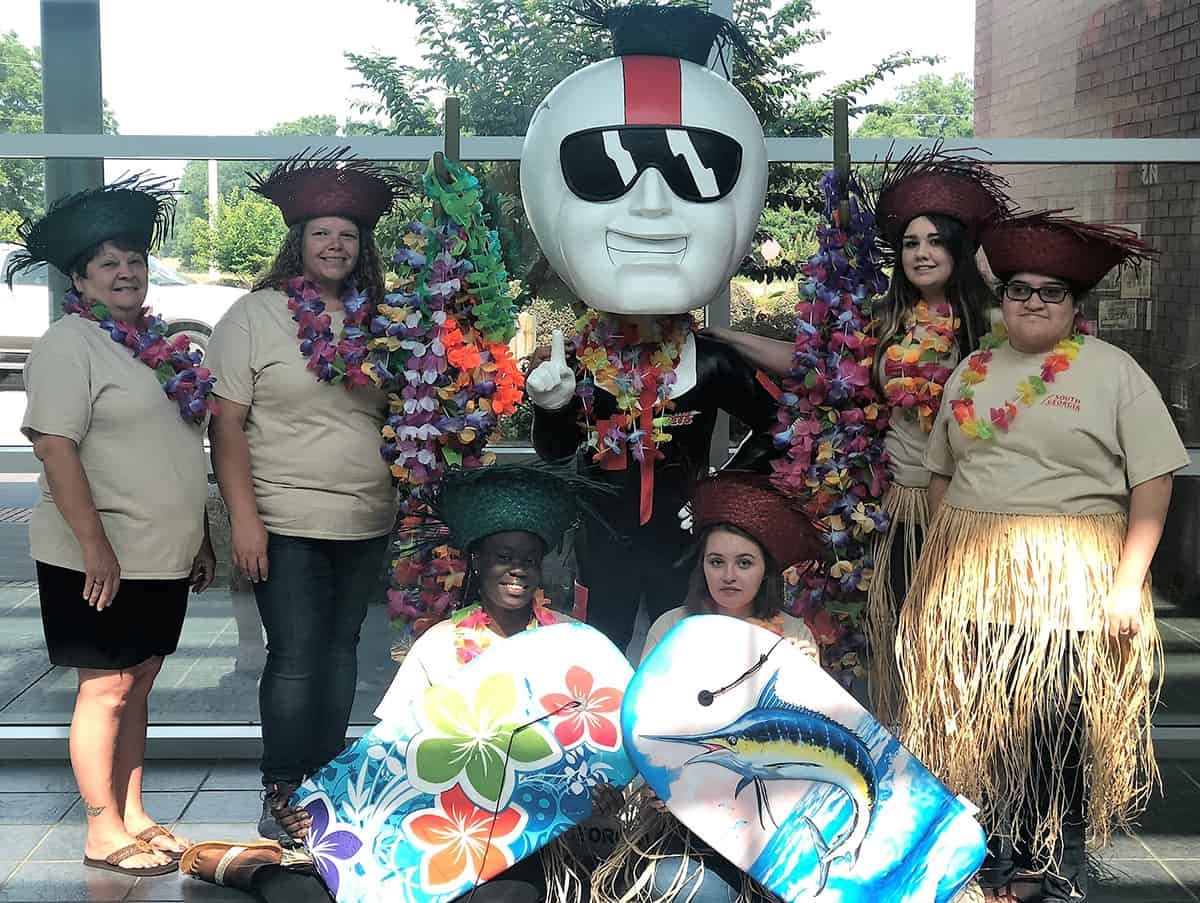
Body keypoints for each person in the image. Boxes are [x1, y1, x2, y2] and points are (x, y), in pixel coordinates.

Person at [896, 212, 1185, 903]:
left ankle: (1058, 856)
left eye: (1049, 291)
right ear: (1001, 300)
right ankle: (990, 850)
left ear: (1074, 305)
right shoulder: (974, 368)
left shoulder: (1113, 371)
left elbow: (1154, 480)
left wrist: (1125, 586)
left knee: (1058, 719)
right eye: (1018, 289)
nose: (1031, 301)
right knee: (979, 723)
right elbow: (941, 472)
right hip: (972, 580)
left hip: (1070, 578)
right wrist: (951, 552)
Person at [183, 463, 619, 903]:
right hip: (437, 823)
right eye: (504, 557)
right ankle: (258, 873)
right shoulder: (442, 644)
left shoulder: (570, 643)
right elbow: (392, 753)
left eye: (528, 560)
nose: (518, 570)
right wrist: (317, 807)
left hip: (530, 831)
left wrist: (606, 793)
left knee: (511, 897)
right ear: (477, 560)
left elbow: (606, 736)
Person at [703, 146, 1011, 723]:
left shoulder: (993, 328)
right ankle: (901, 737)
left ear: (958, 251)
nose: (921, 254)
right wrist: (726, 336)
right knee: (896, 633)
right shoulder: (887, 322)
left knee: (962, 635)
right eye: (911, 244)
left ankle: (962, 744)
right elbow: (813, 362)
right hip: (897, 508)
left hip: (973, 507)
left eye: (934, 242)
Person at [520, 4, 781, 657]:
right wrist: (550, 407)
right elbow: (556, 455)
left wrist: (725, 491)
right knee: (592, 661)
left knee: (682, 664)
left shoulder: (708, 358)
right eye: (607, 167)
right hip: (599, 541)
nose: (652, 202)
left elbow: (785, 427)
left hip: (683, 540)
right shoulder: (579, 361)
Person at [8, 175, 216, 876]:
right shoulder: (70, 343)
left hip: (162, 552)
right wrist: (95, 544)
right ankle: (101, 827)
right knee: (105, 686)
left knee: (141, 683)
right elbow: (55, 445)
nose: (126, 272)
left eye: (134, 260)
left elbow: (176, 448)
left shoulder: (148, 344)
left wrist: (202, 535)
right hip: (96, 556)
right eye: (108, 264)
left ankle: (133, 811)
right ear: (79, 278)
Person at [205, 147, 409, 841]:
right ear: (300, 240)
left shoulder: (385, 317)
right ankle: (282, 788)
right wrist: (244, 521)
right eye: (322, 232)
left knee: (344, 648)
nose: (335, 244)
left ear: (363, 247)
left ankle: (327, 783)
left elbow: (411, 410)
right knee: (293, 653)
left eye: (348, 235)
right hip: (283, 515)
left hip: (366, 514)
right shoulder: (255, 315)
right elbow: (225, 424)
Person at [593, 471, 824, 903]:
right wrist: (657, 785)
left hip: (768, 822)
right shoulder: (673, 627)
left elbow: (803, 747)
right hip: (684, 824)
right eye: (716, 562)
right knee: (680, 888)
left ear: (765, 571)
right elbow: (647, 728)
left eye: (744, 562)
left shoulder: (793, 636)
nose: (729, 576)